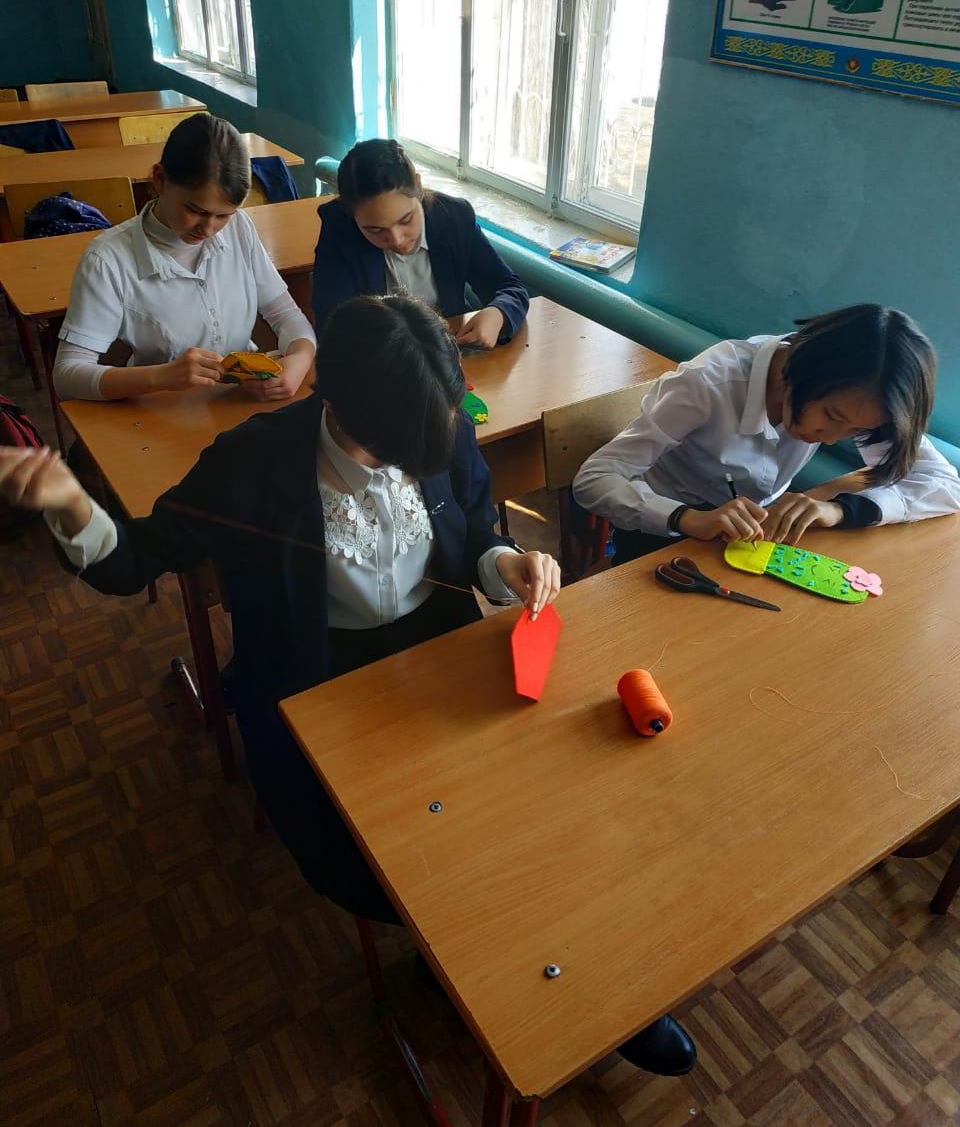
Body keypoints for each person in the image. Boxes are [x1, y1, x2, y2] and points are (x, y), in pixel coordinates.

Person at [1, 295, 695, 1079]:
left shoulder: (437, 422)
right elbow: (134, 562)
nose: (415, 463)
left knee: (540, 797)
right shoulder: (254, 461)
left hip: (435, 650)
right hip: (315, 680)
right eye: (394, 454)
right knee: (411, 858)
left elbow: (472, 529)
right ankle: (483, 967)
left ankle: (598, 975)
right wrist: (68, 501)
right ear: (338, 404)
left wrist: (508, 563)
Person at [573, 304, 960, 565]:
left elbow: (945, 484)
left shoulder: (861, 394)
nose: (830, 439)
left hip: (753, 538)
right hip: (663, 535)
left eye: (857, 430)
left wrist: (839, 509)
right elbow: (594, 479)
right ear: (803, 368)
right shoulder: (709, 384)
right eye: (831, 416)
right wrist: (687, 518)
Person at [53, 113, 316, 403]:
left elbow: (286, 314)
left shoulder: (240, 228)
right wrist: (162, 376)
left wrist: (299, 359)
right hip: (163, 408)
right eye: (196, 210)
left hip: (238, 400)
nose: (208, 229)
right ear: (160, 179)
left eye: (223, 216)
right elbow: (66, 376)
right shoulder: (107, 259)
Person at [312, 139, 529, 350]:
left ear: (418, 186)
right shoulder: (340, 231)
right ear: (351, 214)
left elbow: (510, 288)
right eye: (375, 230)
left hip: (452, 354)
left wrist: (498, 313)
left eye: (406, 220)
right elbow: (332, 327)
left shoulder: (453, 217)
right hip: (382, 361)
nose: (397, 239)